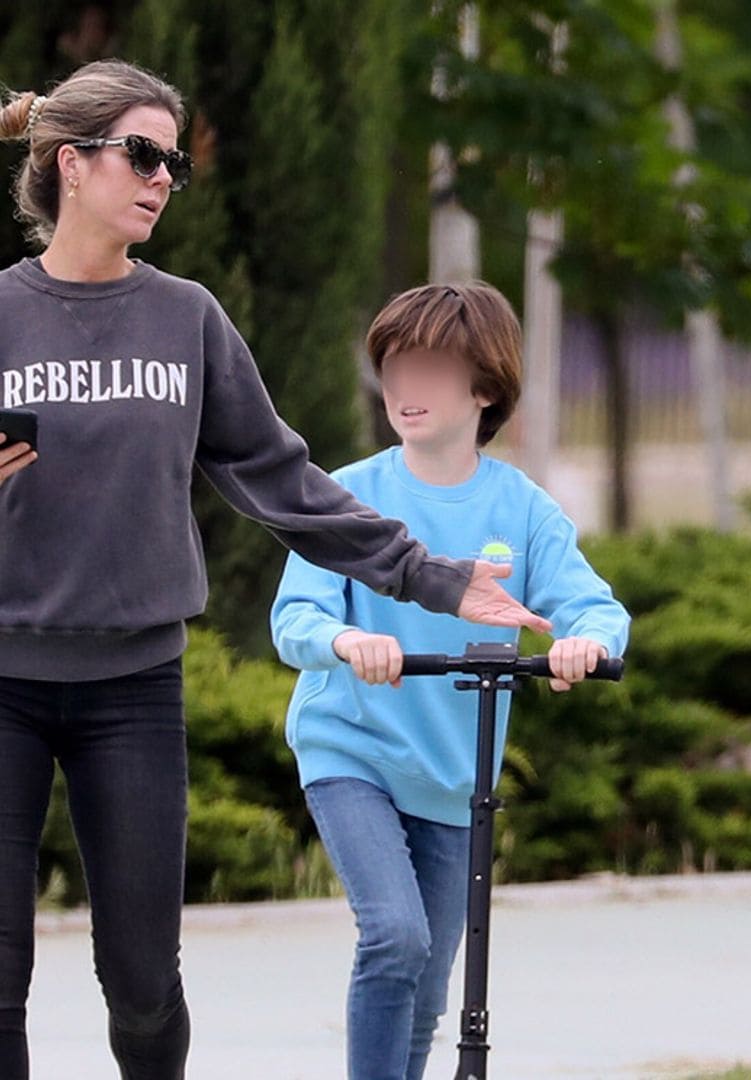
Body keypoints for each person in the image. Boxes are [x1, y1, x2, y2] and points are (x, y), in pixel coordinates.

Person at [0, 60, 550, 1080]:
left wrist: (433, 577)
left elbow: (284, 483)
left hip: (132, 691)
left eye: (174, 161)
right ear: (71, 165)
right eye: (143, 155)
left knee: (142, 980)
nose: (164, 176)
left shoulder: (187, 320)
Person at [271, 281, 631, 1080]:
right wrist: (347, 638)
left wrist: (584, 646)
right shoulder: (347, 496)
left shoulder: (524, 509)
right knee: (396, 935)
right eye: (395, 366)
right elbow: (294, 620)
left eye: (431, 368)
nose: (405, 387)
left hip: (454, 773)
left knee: (430, 993)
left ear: (485, 387)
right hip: (353, 749)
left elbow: (594, 609)